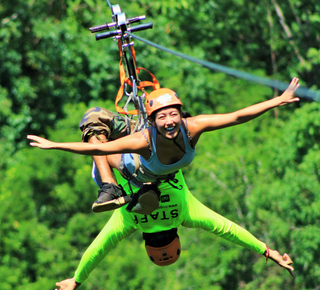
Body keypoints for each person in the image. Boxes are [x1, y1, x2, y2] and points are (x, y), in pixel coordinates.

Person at [28, 77, 300, 214]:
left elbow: (237, 116)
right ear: (152, 120)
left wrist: (278, 100)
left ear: (181, 115)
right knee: (95, 119)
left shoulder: (191, 127)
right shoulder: (143, 138)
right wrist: (55, 145)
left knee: (101, 136)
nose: (169, 121)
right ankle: (117, 190)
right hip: (150, 159)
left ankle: (117, 186)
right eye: (162, 117)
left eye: (173, 115)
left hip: (136, 169)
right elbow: (95, 149)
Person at [54, 170, 294, 290]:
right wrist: (76, 280)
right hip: (121, 152)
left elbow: (229, 229)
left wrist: (267, 251)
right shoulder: (129, 222)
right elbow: (96, 250)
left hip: (163, 147)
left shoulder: (186, 213)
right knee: (99, 174)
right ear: (145, 242)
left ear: (177, 236)